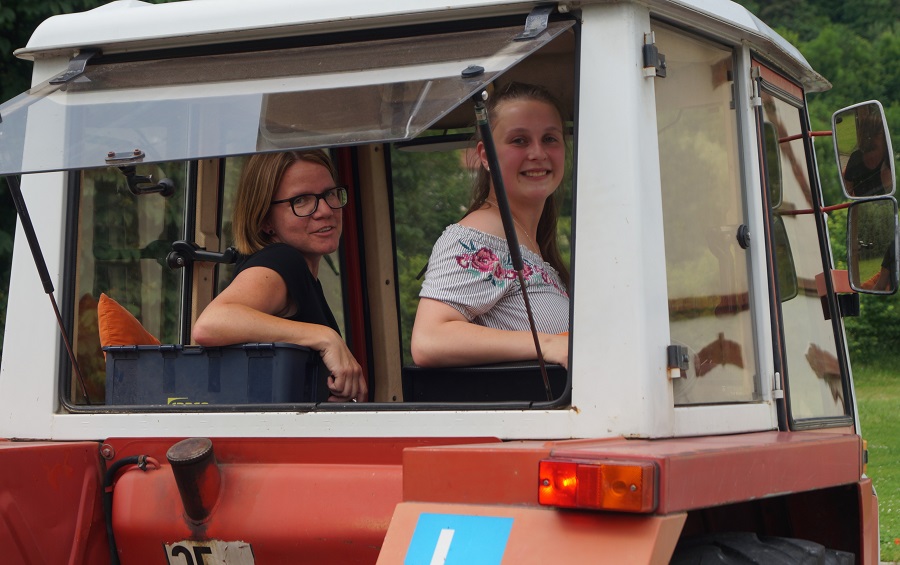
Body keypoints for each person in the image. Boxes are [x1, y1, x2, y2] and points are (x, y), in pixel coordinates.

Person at [411, 82, 571, 369]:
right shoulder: (475, 239)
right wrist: (546, 344)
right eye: (519, 140)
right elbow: (429, 339)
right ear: (485, 155)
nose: (538, 153)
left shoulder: (531, 240)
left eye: (550, 138)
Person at [192, 150, 367, 402]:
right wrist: (326, 337)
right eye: (301, 200)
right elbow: (211, 324)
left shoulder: (303, 275)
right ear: (265, 220)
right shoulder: (282, 261)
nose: (325, 210)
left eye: (330, 194)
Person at [843, 111, 891, 198]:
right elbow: (847, 193)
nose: (870, 139)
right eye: (867, 134)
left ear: (886, 137)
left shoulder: (890, 159)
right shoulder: (855, 158)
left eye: (876, 134)